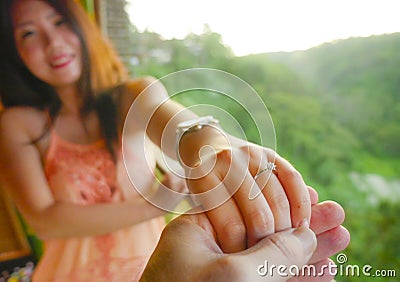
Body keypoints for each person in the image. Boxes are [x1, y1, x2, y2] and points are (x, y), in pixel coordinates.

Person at [0, 0, 349, 281]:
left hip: (155, 266)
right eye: (28, 33)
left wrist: (216, 149)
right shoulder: (20, 124)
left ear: (80, 27)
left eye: (59, 22)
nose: (53, 42)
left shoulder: (129, 96)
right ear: (14, 52)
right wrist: (157, 204)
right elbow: (46, 220)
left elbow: (176, 122)